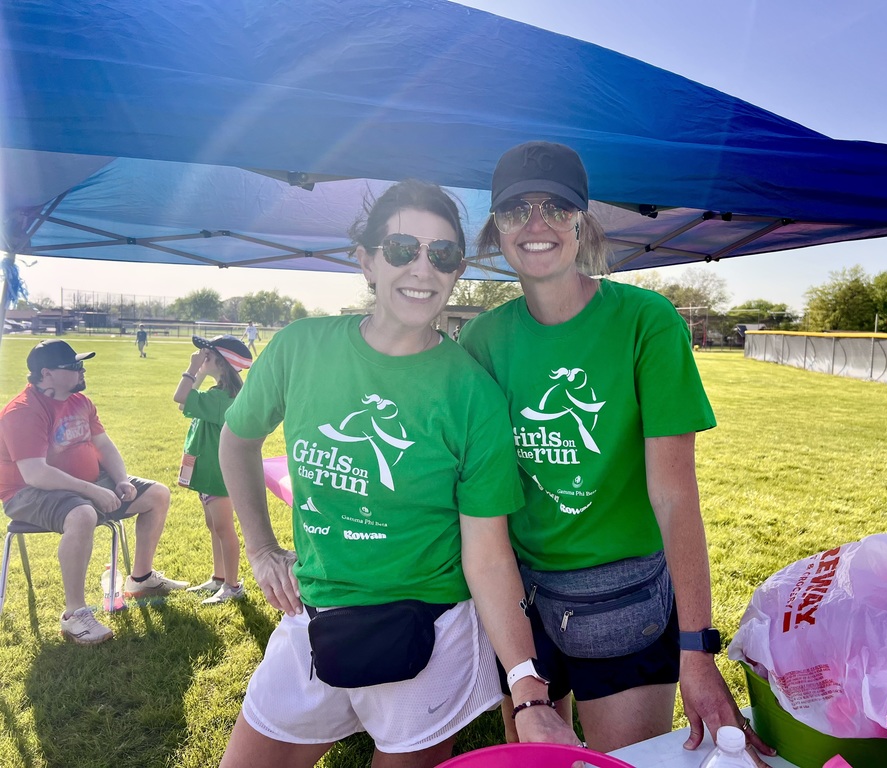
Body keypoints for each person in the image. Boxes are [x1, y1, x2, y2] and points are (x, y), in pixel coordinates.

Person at [217, 180, 578, 768]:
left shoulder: (472, 394)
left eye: (442, 255)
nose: (422, 268)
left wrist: (528, 688)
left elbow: (487, 555)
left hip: (428, 636)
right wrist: (259, 549)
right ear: (366, 259)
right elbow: (237, 441)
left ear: (457, 270)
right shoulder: (301, 347)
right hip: (311, 615)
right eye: (402, 248)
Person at [459, 141, 775, 761]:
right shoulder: (483, 338)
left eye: (556, 207)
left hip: (624, 595)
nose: (537, 224)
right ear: (497, 229)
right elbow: (477, 493)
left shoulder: (645, 321)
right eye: (517, 210)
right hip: (519, 591)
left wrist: (696, 650)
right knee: (535, 754)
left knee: (624, 761)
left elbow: (674, 493)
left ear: (583, 222)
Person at [0, 340, 188, 645]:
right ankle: (75, 615)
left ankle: (140, 579)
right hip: (28, 493)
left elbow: (104, 445)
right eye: (73, 366)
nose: (82, 369)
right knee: (82, 513)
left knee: (157, 494)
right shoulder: (22, 411)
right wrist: (93, 491)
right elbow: (35, 474)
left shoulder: (80, 402)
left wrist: (121, 480)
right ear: (45, 374)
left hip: (84, 485)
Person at [174, 334, 252, 604]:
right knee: (214, 525)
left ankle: (232, 585)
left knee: (223, 528)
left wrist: (193, 368)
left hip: (219, 473)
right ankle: (219, 578)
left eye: (207, 355)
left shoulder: (221, 397)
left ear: (219, 361)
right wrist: (202, 372)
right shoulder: (219, 394)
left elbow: (179, 396)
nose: (202, 358)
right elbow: (186, 403)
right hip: (209, 470)